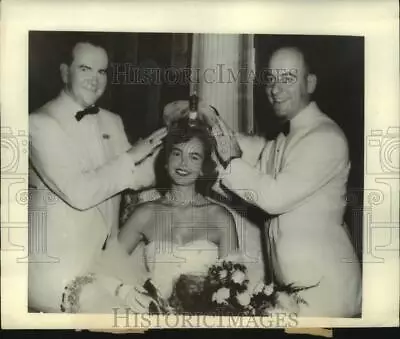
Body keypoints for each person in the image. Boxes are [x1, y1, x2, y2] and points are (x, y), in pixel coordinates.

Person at [209, 46, 362, 317]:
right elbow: (249, 157)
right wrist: (206, 124)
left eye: (287, 78)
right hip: (292, 293)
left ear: (310, 83)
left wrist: (230, 159)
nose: (275, 89)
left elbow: (273, 197)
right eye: (271, 79)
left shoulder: (325, 137)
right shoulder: (285, 139)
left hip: (325, 293)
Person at [28, 39, 166, 313]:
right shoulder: (40, 123)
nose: (95, 79)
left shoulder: (111, 120)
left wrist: (175, 150)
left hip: (104, 262)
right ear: (65, 72)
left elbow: (134, 176)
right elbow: (80, 193)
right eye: (85, 69)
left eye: (101, 71)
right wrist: (131, 156)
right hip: (57, 271)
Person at [117, 116, 239, 299]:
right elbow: (106, 267)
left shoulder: (220, 218)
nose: (183, 163)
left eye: (194, 157)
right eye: (177, 153)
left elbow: (235, 288)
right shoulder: (145, 214)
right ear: (166, 162)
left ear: (203, 168)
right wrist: (125, 293)